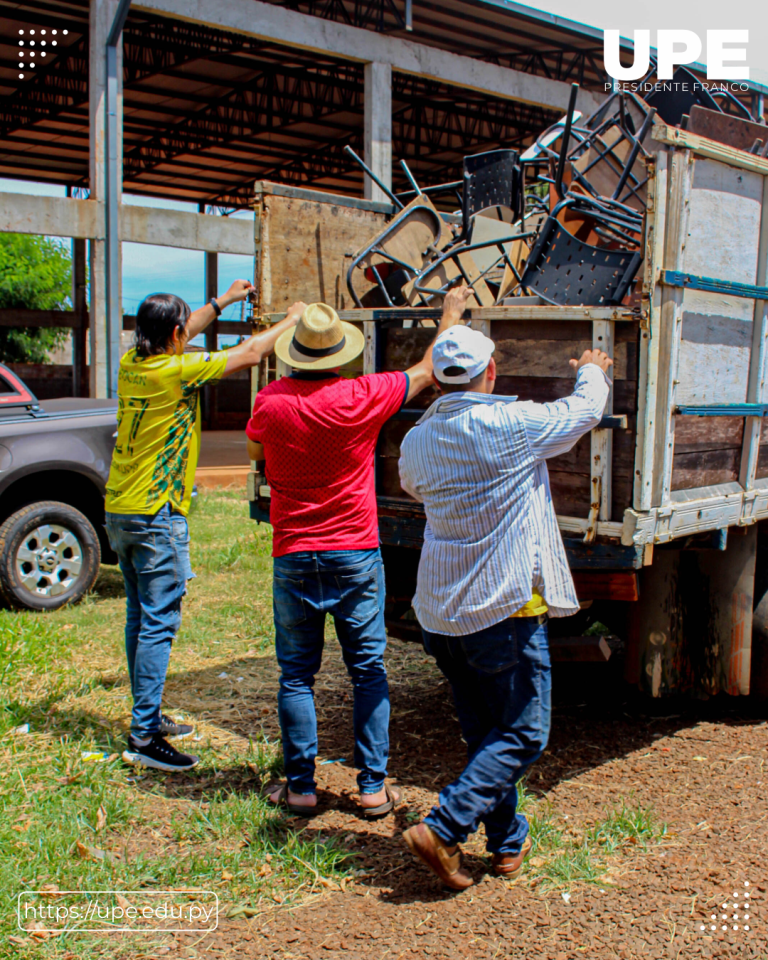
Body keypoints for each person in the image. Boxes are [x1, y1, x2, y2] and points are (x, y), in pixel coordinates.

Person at [398, 323, 612, 888]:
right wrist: (592, 366)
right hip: (503, 610)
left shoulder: (416, 440)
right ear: (490, 373)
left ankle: (505, 842)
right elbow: (583, 411)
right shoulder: (513, 423)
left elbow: (416, 488)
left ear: (436, 384)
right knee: (523, 732)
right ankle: (443, 827)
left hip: (441, 610)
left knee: (485, 733)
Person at [245, 288, 473, 818]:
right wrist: (449, 317)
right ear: (340, 355)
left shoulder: (271, 402)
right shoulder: (360, 396)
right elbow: (426, 370)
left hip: (295, 553)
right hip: (355, 551)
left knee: (296, 676)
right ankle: (372, 787)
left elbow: (257, 450)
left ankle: (301, 788)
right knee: (367, 669)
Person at [106, 281, 305, 772]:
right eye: (184, 331)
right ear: (175, 336)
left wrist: (225, 301)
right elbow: (253, 351)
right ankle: (145, 734)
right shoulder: (179, 371)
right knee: (158, 623)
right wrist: (293, 318)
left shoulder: (134, 364)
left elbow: (182, 328)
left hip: (121, 509)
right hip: (157, 514)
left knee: (139, 616)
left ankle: (145, 716)